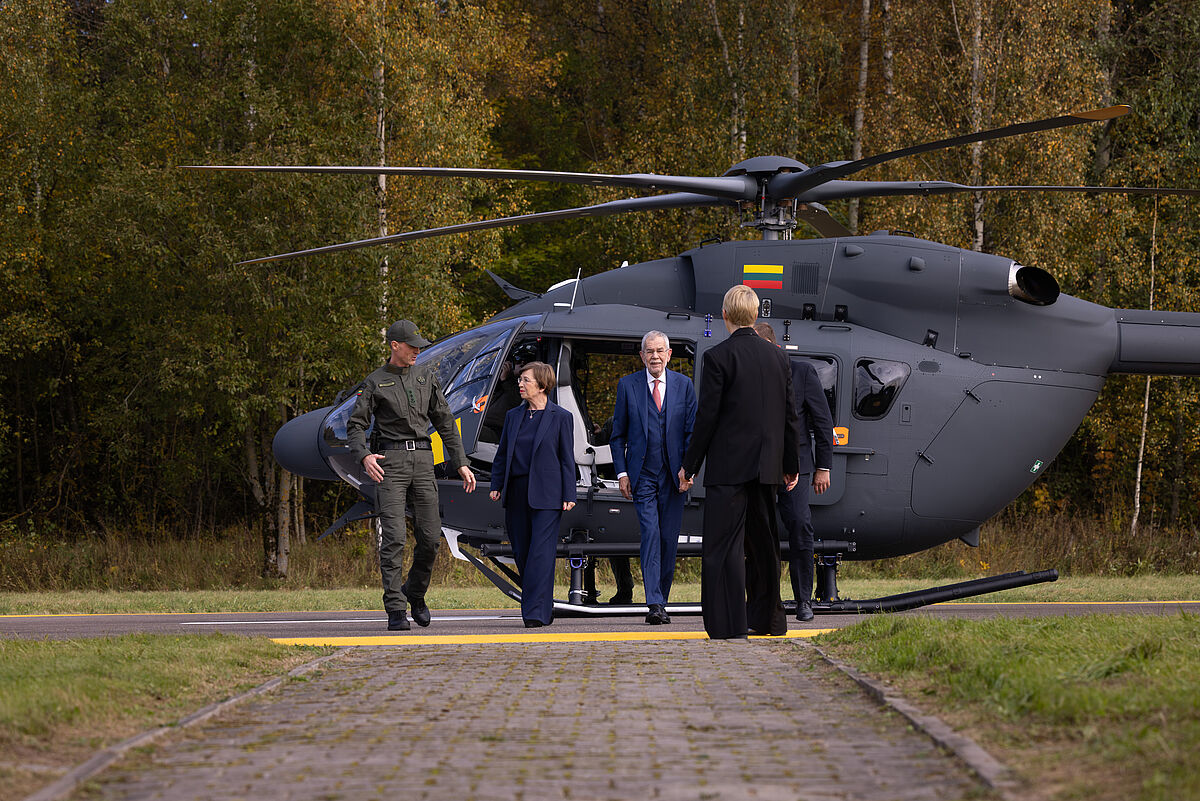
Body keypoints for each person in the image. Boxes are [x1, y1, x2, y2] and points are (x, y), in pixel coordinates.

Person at [680, 286, 801, 640]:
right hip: (767, 468)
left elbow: (707, 418)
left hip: (729, 469)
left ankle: (729, 625)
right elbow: (789, 417)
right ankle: (770, 621)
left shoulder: (718, 357)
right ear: (756, 316)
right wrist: (790, 464)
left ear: (725, 315)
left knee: (723, 548)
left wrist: (691, 464)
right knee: (765, 547)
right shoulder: (779, 358)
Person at [347, 319, 477, 632]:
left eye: (419, 345)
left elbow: (445, 422)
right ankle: (395, 608)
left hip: (422, 461)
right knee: (393, 538)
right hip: (389, 463)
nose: (417, 350)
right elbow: (355, 426)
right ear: (395, 345)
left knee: (431, 539)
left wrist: (460, 461)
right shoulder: (375, 382)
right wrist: (364, 455)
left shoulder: (425, 377)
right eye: (411, 346)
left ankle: (414, 594)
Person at [609, 331, 697, 624]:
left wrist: (689, 470)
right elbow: (617, 435)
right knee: (650, 534)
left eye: (660, 350)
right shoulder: (627, 385)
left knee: (669, 539)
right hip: (642, 476)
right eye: (649, 351)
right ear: (642, 356)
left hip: (675, 477)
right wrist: (622, 472)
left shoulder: (684, 386)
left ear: (669, 354)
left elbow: (691, 434)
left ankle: (663, 599)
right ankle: (655, 604)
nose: (655, 356)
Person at [753, 323, 835, 622]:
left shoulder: (801, 372)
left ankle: (803, 600)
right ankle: (765, 600)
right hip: (759, 465)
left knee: (800, 526)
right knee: (760, 532)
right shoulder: (749, 375)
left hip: (798, 465)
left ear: (773, 347)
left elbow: (822, 421)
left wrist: (823, 467)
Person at [488, 361, 577, 627]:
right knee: (523, 553)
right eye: (520, 380)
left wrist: (569, 492)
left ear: (542, 385)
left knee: (541, 552)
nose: (520, 384)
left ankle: (535, 614)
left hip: (548, 495)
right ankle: (542, 605)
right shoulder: (514, 416)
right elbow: (503, 453)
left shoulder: (561, 417)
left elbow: (566, 459)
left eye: (525, 380)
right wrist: (496, 484)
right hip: (516, 492)